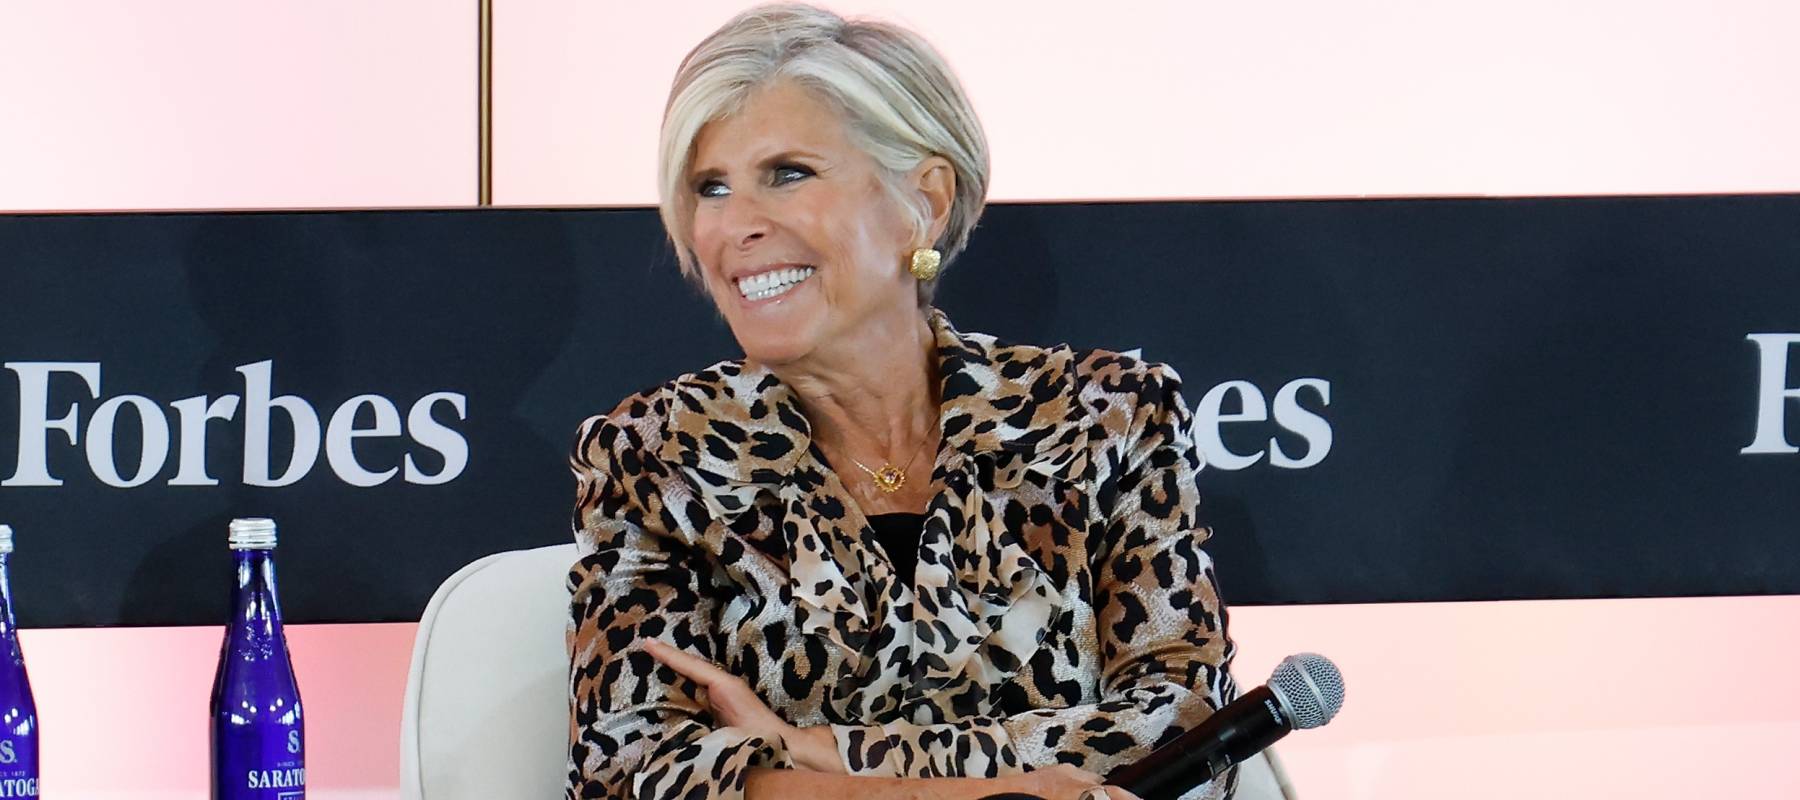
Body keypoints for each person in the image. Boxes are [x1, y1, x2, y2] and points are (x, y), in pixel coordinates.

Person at [565, 5, 1237, 799]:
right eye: (711, 188)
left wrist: (815, 754)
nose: (734, 226)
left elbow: (1187, 727)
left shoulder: (1106, 416)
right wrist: (975, 795)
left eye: (788, 173)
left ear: (925, 200)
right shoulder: (655, 455)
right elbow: (631, 772)